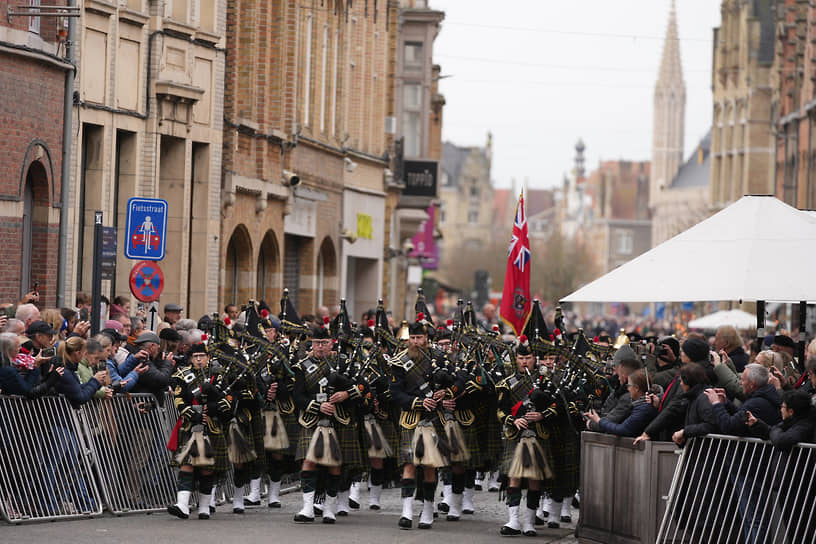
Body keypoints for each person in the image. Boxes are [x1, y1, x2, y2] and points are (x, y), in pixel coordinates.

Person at [292, 320, 364, 524]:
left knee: (335, 464)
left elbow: (362, 387)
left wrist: (345, 394)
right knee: (308, 461)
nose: (320, 347)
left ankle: (330, 509)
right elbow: (298, 397)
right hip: (312, 420)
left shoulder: (342, 364)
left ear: (331, 343)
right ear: (311, 344)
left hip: (338, 420)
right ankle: (307, 507)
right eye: (316, 343)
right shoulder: (301, 367)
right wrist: (317, 406)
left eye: (324, 342)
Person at [389, 319, 448, 530]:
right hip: (410, 418)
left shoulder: (440, 358)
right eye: (412, 338)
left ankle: (428, 510)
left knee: (430, 466)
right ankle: (406, 512)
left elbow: (455, 381)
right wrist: (418, 402)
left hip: (432, 419)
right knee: (409, 464)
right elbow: (395, 393)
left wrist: (446, 393)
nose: (415, 342)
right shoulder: (399, 361)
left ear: (426, 338)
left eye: (419, 338)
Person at [496, 336, 553, 537]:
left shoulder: (546, 381)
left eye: (528, 358)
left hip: (537, 434)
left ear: (534, 359)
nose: (524, 362)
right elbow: (500, 412)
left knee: (534, 478)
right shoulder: (506, 383)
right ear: (515, 359)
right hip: (515, 436)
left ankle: (529, 522)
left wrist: (541, 415)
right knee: (514, 476)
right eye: (521, 358)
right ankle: (513, 521)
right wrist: (513, 420)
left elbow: (556, 408)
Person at [167, 342, 230, 520]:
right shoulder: (182, 376)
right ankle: (182, 505)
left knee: (206, 468)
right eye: (195, 357)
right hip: (191, 426)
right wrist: (192, 414)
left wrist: (210, 408)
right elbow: (179, 399)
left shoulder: (218, 375)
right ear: (191, 359)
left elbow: (226, 402)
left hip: (211, 426)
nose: (199, 359)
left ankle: (204, 506)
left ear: (208, 357)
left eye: (202, 356)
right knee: (187, 463)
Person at [587, 369, 657, 437]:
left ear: (636, 388)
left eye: (629, 386)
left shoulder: (643, 408)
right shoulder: (641, 404)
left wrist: (598, 421)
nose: (628, 389)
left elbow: (622, 429)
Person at [129, 332, 174, 405]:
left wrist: (166, 387)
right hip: (138, 407)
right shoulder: (141, 359)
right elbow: (161, 380)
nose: (158, 351)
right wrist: (167, 363)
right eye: (158, 348)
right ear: (152, 346)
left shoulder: (149, 359)